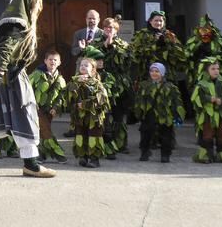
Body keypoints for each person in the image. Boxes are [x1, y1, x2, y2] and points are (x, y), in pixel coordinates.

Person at [0, 0, 56, 177]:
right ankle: (31, 164)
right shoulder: (17, 24)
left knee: (2, 123)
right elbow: (3, 50)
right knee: (25, 116)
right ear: (29, 4)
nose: (39, 8)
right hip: (10, 78)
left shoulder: (11, 21)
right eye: (37, 4)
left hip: (7, 76)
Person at [133, 62, 184, 163]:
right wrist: (138, 112)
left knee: (166, 136)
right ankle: (144, 152)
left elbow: (176, 101)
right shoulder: (144, 85)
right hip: (149, 114)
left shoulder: (170, 87)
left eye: (157, 71)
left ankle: (165, 155)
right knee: (145, 135)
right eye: (152, 71)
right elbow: (139, 100)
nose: (154, 73)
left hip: (164, 115)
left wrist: (177, 114)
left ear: (162, 73)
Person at [67, 52, 110, 168]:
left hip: (93, 117)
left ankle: (94, 159)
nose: (83, 67)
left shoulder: (97, 84)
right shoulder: (73, 82)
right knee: (81, 135)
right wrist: (77, 84)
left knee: (93, 136)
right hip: (80, 116)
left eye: (86, 65)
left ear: (93, 70)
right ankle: (84, 156)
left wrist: (85, 105)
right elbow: (69, 96)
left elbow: (102, 99)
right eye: (81, 65)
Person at [190, 60, 222, 164]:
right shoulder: (201, 84)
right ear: (207, 71)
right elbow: (196, 98)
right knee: (208, 135)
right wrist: (209, 98)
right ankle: (206, 155)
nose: (216, 71)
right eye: (213, 69)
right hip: (208, 115)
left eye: (218, 69)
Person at [100, 17, 132, 154]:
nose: (109, 29)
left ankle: (121, 144)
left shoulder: (123, 45)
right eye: (106, 27)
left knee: (119, 116)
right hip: (102, 84)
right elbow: (91, 61)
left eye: (112, 27)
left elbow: (127, 63)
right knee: (105, 115)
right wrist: (104, 47)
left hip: (119, 85)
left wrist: (113, 47)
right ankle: (106, 144)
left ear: (116, 30)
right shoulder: (96, 43)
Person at [29, 49, 67, 163]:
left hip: (50, 110)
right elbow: (27, 88)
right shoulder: (36, 74)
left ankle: (41, 155)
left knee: (44, 131)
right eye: (50, 59)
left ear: (59, 62)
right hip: (37, 108)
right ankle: (58, 153)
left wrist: (56, 108)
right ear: (45, 61)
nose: (53, 62)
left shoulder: (60, 79)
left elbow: (62, 95)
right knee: (46, 131)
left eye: (55, 60)